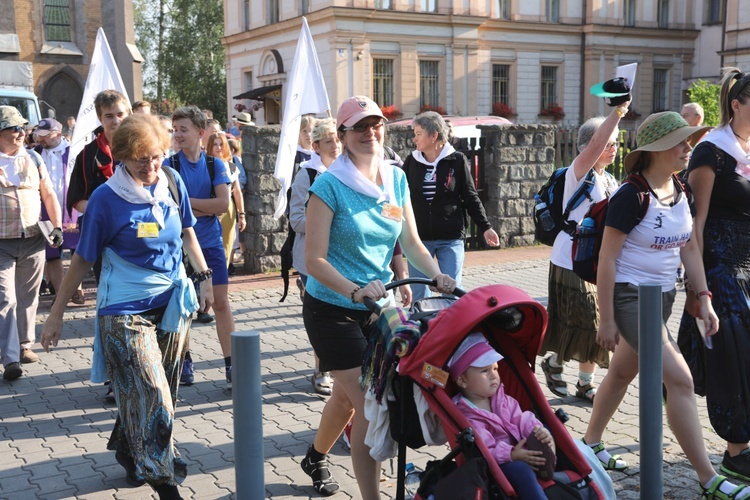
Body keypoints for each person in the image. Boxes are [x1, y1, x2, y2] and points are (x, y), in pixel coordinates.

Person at [41, 113, 214, 500]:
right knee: (154, 395)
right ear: (122, 157)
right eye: (140, 159)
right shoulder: (106, 198)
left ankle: (126, 445)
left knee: (156, 390)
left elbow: (187, 231)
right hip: (123, 310)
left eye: (155, 156)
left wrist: (203, 279)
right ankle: (164, 480)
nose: (150, 166)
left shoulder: (171, 181)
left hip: (170, 304)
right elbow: (83, 259)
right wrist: (55, 315)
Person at [581, 112, 750, 499]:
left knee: (622, 372)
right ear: (656, 149)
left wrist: (704, 298)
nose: (689, 148)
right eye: (681, 141)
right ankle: (710, 480)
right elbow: (607, 260)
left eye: (689, 140)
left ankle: (590, 441)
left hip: (662, 297)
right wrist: (606, 319)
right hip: (629, 298)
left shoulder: (681, 189)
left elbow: (689, 246)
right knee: (680, 379)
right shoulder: (630, 195)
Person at [299, 95, 456, 499]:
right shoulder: (328, 185)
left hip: (378, 307)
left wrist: (437, 273)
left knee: (346, 398)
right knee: (369, 404)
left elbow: (412, 242)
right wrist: (353, 289)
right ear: (344, 136)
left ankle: (315, 456)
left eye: (376, 125)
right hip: (332, 308)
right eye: (360, 127)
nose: (370, 133)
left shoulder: (396, 178)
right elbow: (313, 260)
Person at [677, 67, 750, 484]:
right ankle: (736, 451)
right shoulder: (711, 151)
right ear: (736, 104)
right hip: (720, 269)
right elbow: (695, 225)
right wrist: (698, 287)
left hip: (749, 266)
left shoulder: (746, 149)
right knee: (732, 359)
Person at [539, 102, 629, 401]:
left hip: (595, 260)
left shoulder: (609, 180)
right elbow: (594, 145)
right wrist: (616, 113)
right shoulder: (577, 173)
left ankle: (569, 371)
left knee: (586, 320)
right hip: (569, 258)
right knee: (588, 320)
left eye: (617, 143)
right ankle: (574, 375)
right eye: (608, 143)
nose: (613, 148)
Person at [401, 111, 500, 302]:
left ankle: (452, 330)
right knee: (420, 294)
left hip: (450, 237)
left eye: (418, 133)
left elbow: (470, 196)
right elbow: (401, 196)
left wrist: (485, 227)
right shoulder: (411, 161)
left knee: (451, 291)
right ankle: (423, 331)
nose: (414, 139)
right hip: (418, 241)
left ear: (434, 135)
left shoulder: (457, 160)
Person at [169, 106, 235, 387]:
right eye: (175, 130)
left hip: (211, 245)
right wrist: (201, 206)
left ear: (200, 132)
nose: (178, 135)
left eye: (183, 129)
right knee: (183, 307)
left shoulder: (215, 165)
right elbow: (171, 208)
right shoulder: (169, 167)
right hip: (180, 246)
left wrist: (187, 203)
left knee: (220, 304)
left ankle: (232, 364)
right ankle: (184, 361)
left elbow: (222, 204)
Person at [449, 332, 554, 500]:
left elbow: (521, 418)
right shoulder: (467, 415)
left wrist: (536, 430)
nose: (493, 375)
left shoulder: (502, 399)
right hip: (498, 465)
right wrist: (511, 455)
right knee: (521, 470)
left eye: (495, 368)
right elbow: (485, 450)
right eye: (485, 371)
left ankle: (549, 458)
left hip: (523, 450)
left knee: (547, 430)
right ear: (462, 381)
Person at [0, 106, 63, 380]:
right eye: (14, 128)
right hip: (0, 242)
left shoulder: (34, 158)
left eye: (22, 127)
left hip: (33, 239)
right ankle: (10, 359)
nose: (21, 132)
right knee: (5, 299)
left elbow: (48, 192)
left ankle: (25, 345)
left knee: (28, 297)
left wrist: (58, 225)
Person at [289, 118, 340, 396]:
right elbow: (295, 220)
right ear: (316, 145)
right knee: (321, 317)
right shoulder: (306, 175)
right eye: (328, 141)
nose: (335, 145)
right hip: (313, 259)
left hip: (343, 257)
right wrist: (324, 219)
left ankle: (341, 367)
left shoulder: (350, 173)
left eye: (337, 139)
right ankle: (322, 370)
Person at [33, 118, 85, 305]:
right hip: (46, 210)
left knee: (76, 250)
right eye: (38, 136)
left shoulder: (74, 151)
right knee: (52, 253)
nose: (40, 140)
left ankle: (77, 289)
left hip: (71, 208)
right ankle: (61, 292)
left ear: (56, 134)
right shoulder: (35, 153)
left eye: (44, 136)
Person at [207, 132, 246, 273]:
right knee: (210, 243)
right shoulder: (205, 165)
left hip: (228, 207)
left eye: (221, 144)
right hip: (209, 207)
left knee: (228, 242)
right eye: (215, 144)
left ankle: (223, 274)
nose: (218, 148)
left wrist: (242, 215)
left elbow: (237, 191)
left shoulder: (231, 166)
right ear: (209, 147)